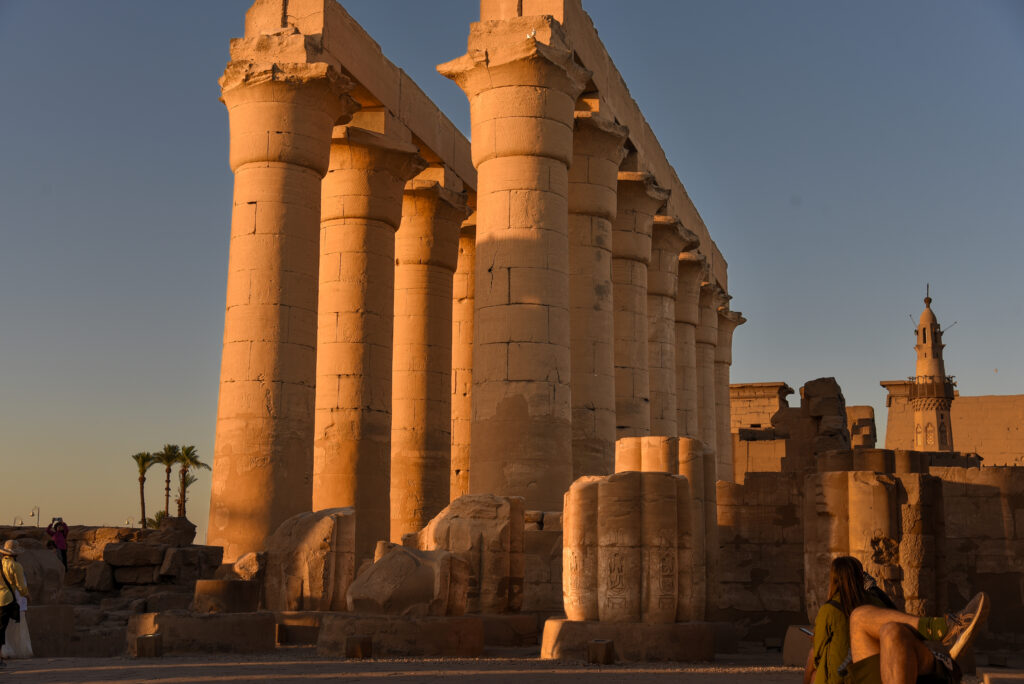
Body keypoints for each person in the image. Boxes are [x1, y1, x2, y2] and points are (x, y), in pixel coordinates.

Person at [848, 593, 989, 684]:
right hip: (930, 671)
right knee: (892, 633)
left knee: (858, 618)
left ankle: (940, 629)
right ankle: (941, 629)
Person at [805, 556, 889, 684]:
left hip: (841, 677)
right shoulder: (877, 603)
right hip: (869, 672)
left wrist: (817, 640)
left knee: (813, 665)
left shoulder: (829, 610)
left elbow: (818, 655)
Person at [0, 540, 32, 668]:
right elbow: (20, 586)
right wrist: (27, 595)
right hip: (7, 600)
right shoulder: (15, 566)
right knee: (2, 629)